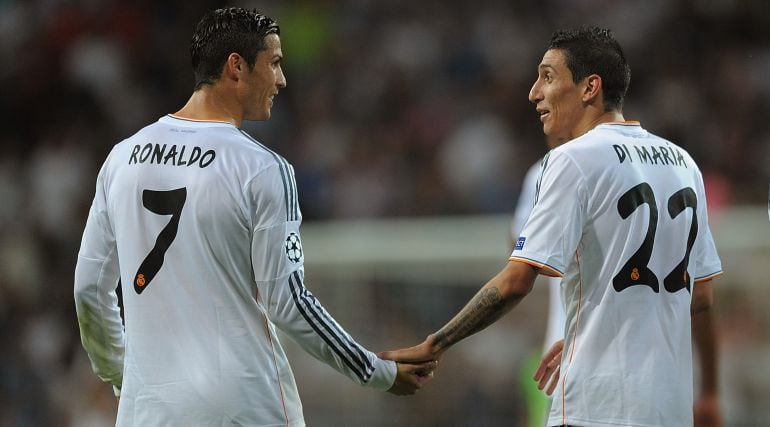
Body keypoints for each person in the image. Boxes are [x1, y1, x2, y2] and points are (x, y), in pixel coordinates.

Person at [73, 7, 432, 426]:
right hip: (242, 407)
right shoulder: (260, 167)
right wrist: (376, 371)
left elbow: (88, 290)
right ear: (236, 67)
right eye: (275, 63)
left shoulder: (122, 158)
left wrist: (121, 372)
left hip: (148, 411)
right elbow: (289, 303)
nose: (282, 80)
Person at [381, 26, 722, 427]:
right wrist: (596, 330)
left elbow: (515, 282)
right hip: (670, 409)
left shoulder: (570, 160)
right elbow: (700, 296)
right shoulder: (683, 164)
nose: (534, 93)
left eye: (547, 76)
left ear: (589, 87)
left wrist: (435, 343)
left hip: (597, 408)